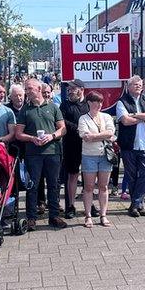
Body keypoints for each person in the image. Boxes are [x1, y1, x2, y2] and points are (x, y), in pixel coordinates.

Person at [15, 79, 68, 230]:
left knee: (53, 185)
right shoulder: (25, 110)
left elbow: (62, 129)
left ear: (39, 88)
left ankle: (54, 216)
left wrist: (51, 136)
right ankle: (31, 218)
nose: (27, 91)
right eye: (26, 89)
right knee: (33, 185)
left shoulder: (53, 107)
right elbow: (18, 134)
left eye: (30, 88)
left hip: (53, 152)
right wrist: (32, 138)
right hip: (33, 153)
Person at [115, 76, 145, 217]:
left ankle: (136, 203)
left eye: (140, 84)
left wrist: (137, 115)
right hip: (129, 145)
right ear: (128, 86)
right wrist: (143, 117)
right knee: (132, 176)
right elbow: (126, 121)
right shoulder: (122, 102)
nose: (139, 86)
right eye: (136, 84)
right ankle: (138, 205)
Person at [77, 91, 115, 228]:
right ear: (89, 103)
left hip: (105, 155)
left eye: (100, 102)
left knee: (103, 187)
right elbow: (85, 136)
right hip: (89, 156)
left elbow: (111, 132)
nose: (98, 105)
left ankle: (103, 215)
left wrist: (94, 136)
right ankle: (88, 216)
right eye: (95, 102)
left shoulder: (106, 117)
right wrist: (102, 136)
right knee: (88, 187)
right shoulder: (83, 119)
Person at [58, 80, 90, 219]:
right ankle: (70, 205)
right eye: (69, 89)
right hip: (71, 144)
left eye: (73, 88)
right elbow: (62, 120)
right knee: (72, 175)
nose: (70, 91)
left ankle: (89, 205)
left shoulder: (88, 104)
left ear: (81, 89)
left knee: (89, 175)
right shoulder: (64, 104)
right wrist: (78, 128)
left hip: (89, 144)